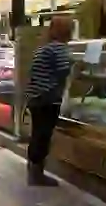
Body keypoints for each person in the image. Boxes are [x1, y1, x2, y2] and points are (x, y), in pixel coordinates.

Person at [24, 16, 73, 187]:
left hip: (36, 98)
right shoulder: (59, 48)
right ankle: (37, 175)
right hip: (47, 99)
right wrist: (80, 68)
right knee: (43, 136)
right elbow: (63, 71)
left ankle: (33, 171)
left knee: (37, 135)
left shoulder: (44, 47)